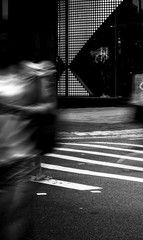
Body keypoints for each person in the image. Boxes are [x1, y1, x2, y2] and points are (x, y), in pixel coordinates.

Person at [0, 19, 57, 240]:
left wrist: (18, 108)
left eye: (6, 40)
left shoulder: (30, 73)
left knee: (15, 217)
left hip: (18, 157)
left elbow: (49, 108)